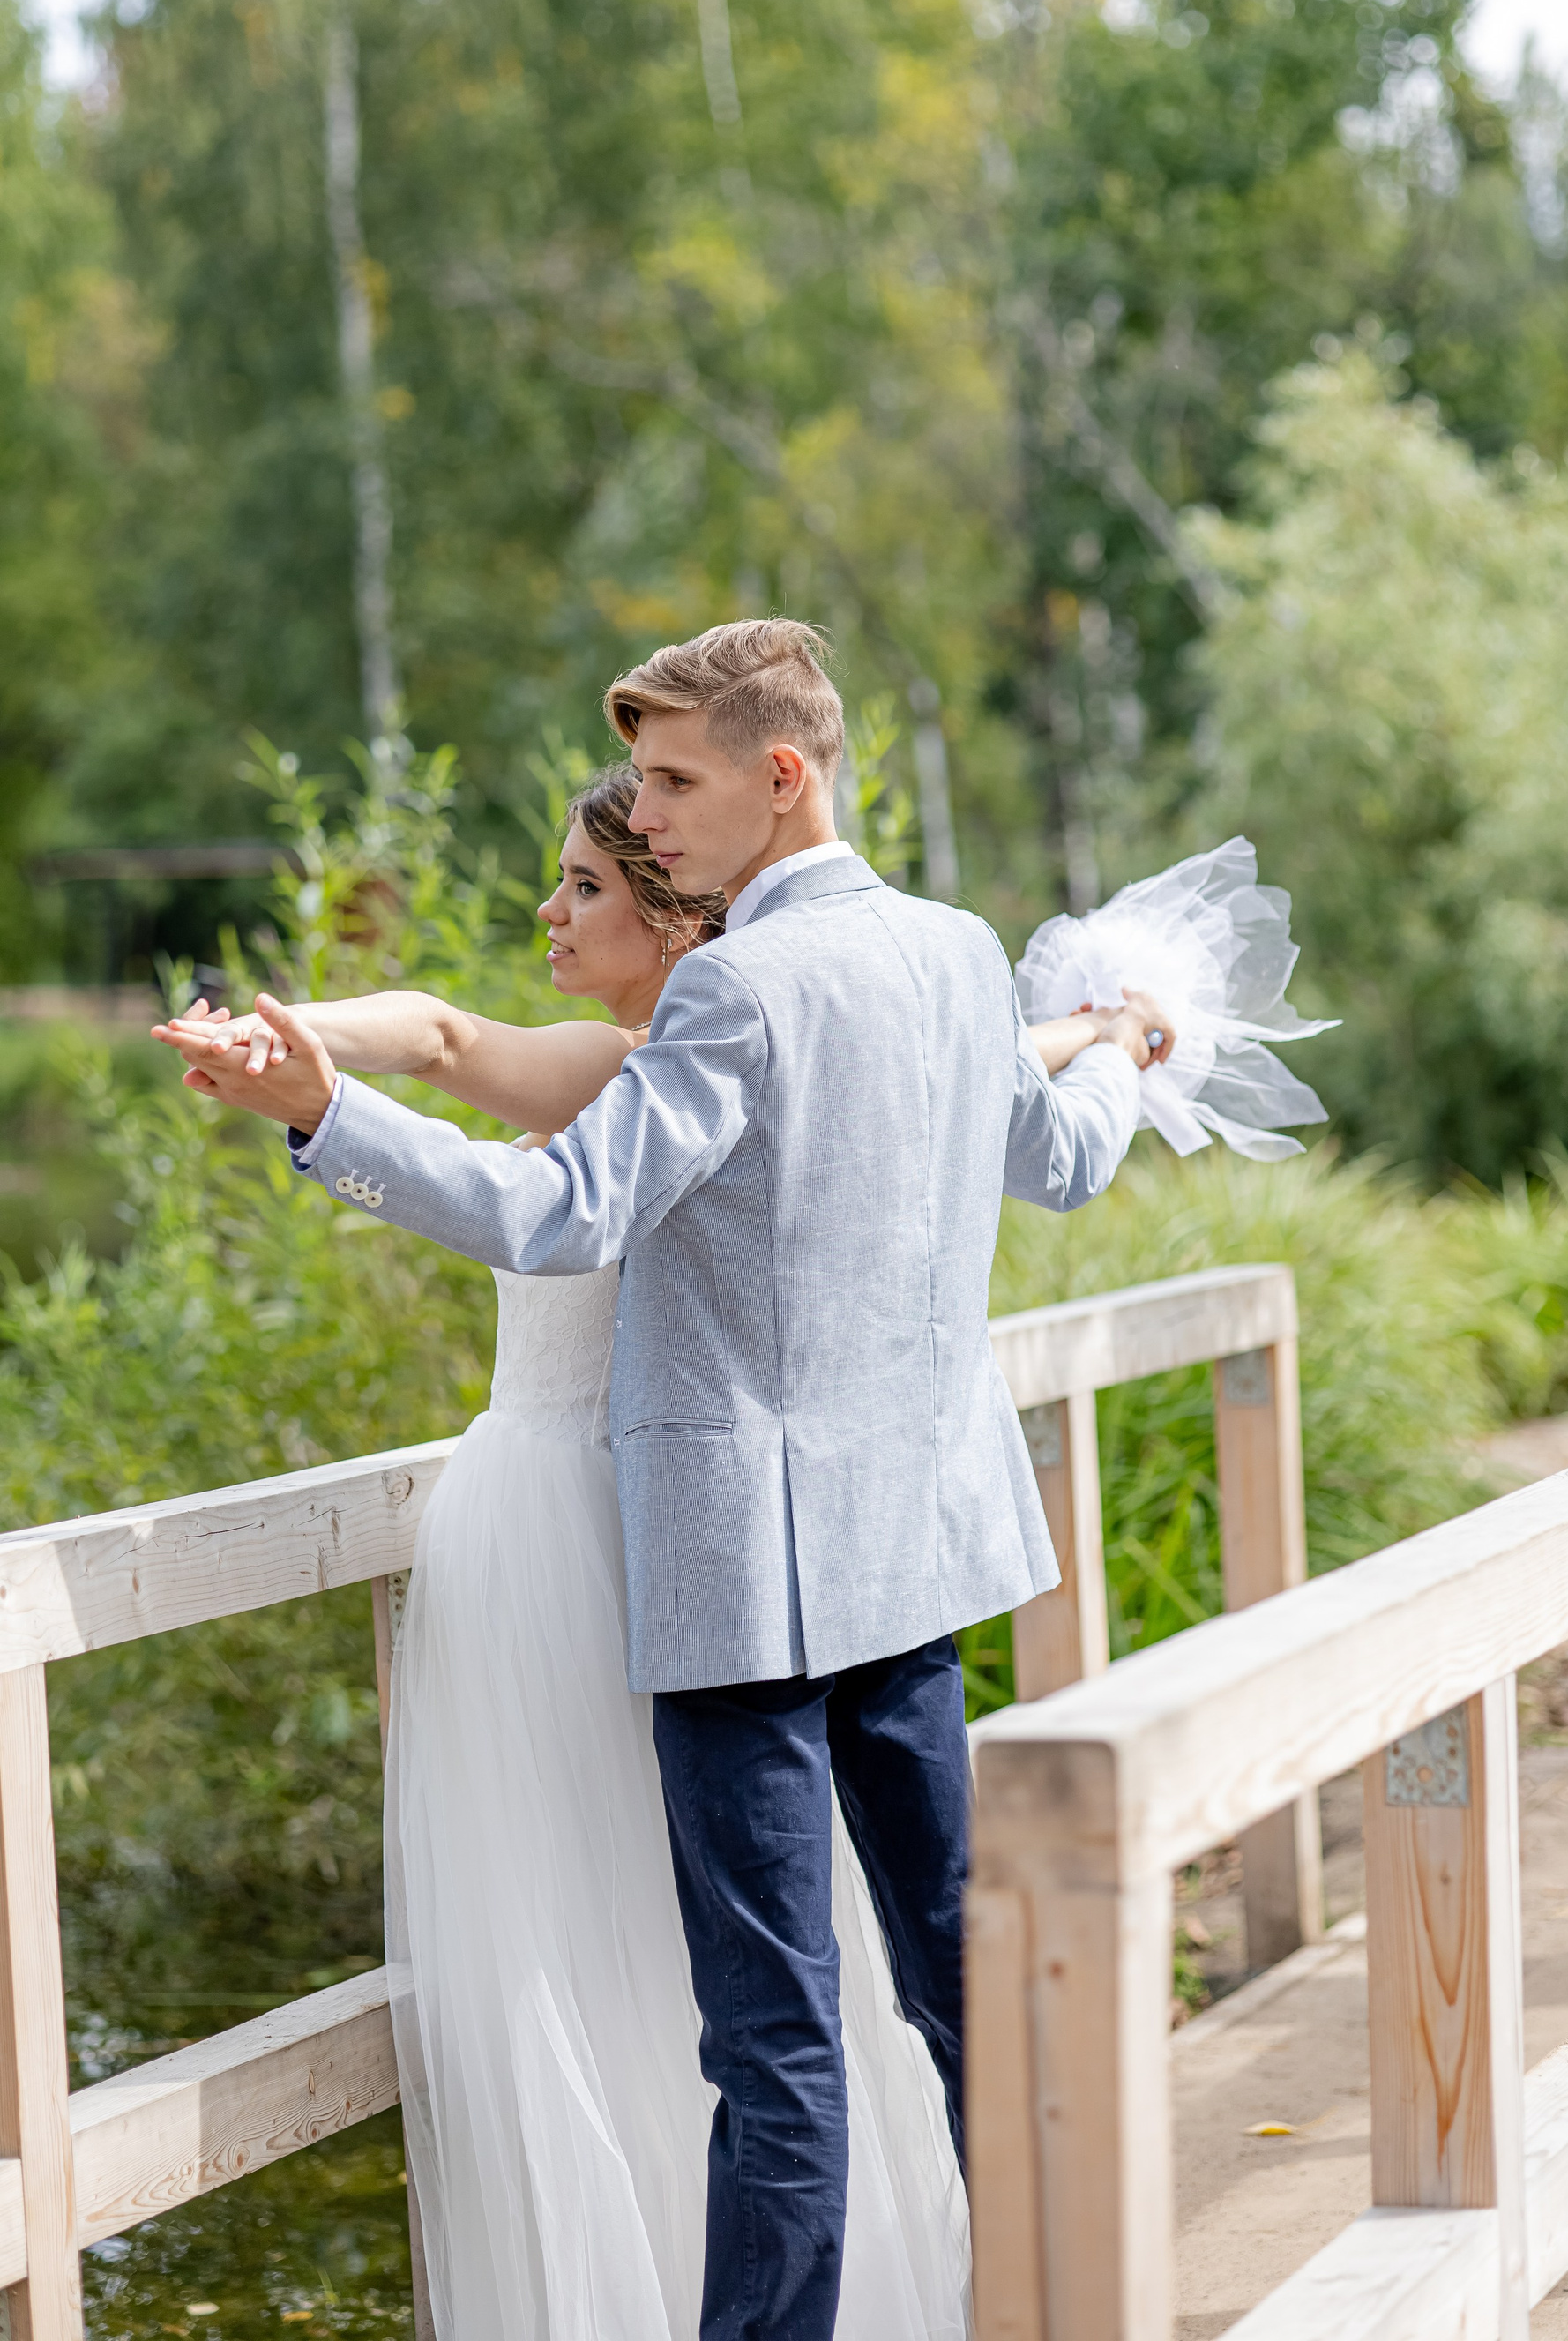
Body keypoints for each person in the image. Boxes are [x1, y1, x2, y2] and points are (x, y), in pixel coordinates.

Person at [158, 619, 1175, 2341]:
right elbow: (1065, 1164)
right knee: (959, 1987)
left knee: (775, 2050)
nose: (645, 813)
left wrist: (331, 1118)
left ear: (783, 777)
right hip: (917, 1568)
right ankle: (1068, 2306)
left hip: (744, 1593)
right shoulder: (954, 954)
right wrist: (1135, 1060)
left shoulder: (734, 986)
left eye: (673, 781)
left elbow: (560, 1214)